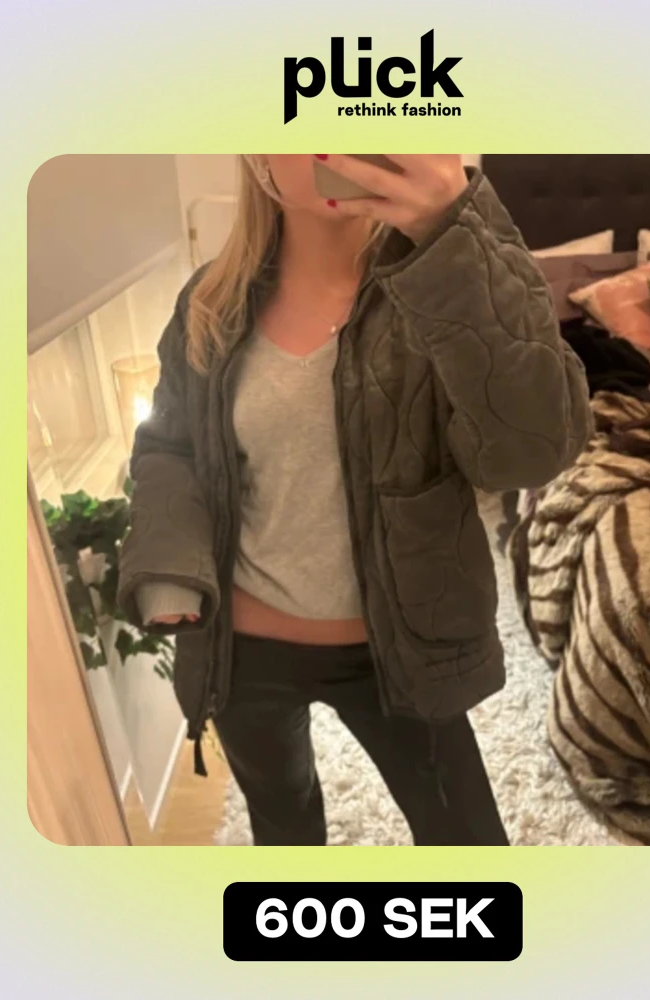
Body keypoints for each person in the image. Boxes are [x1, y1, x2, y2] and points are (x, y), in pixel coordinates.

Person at [117, 154, 592, 846]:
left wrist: (455, 232)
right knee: (285, 827)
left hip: (400, 642)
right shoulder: (211, 301)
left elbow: (530, 453)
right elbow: (171, 446)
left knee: (466, 840)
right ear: (258, 156)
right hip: (246, 652)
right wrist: (168, 568)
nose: (337, 140)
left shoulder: (440, 288)